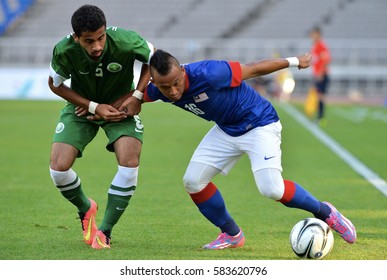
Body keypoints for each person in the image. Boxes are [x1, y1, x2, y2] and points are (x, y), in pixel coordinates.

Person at [119, 49, 356, 250]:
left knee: (271, 189)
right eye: (164, 87)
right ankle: (232, 234)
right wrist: (96, 108)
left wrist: (294, 62)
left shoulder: (210, 73)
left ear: (182, 71)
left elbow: (253, 68)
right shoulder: (157, 89)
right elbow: (132, 98)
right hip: (227, 129)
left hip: (259, 123)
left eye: (176, 83)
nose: (172, 91)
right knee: (192, 181)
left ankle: (325, 212)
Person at [48, 4, 154, 249]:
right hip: (81, 108)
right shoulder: (64, 50)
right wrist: (93, 106)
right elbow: (55, 84)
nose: (96, 46)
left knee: (129, 161)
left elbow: (154, 60)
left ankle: (104, 231)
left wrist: (136, 96)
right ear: (76, 38)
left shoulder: (126, 40)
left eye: (101, 38)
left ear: (106, 31)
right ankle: (86, 209)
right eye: (88, 41)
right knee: (58, 169)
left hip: (120, 108)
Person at [310, 26, 331, 124]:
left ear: (318, 34)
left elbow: (325, 60)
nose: (312, 36)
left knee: (321, 96)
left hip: (322, 75)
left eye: (314, 34)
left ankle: (321, 117)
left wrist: (320, 73)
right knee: (318, 95)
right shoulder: (315, 46)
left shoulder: (321, 46)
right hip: (317, 74)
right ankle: (319, 116)